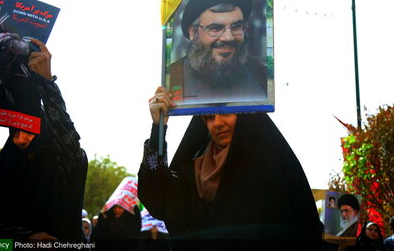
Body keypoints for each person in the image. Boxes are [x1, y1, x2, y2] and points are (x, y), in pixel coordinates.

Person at [138, 86, 322, 250]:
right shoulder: (195, 165)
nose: (217, 122)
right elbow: (161, 200)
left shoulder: (268, 165)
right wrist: (158, 129)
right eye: (209, 116)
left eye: (226, 112)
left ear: (244, 113)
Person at [0, 39, 88, 241]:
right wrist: (25, 238)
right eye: (15, 132)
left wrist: (46, 82)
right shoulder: (6, 165)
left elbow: (66, 136)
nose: (21, 138)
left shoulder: (65, 161)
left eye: (29, 131)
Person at [169, 0, 267, 104]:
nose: (228, 37)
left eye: (236, 27)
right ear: (193, 32)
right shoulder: (172, 80)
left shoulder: (262, 76)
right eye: (215, 28)